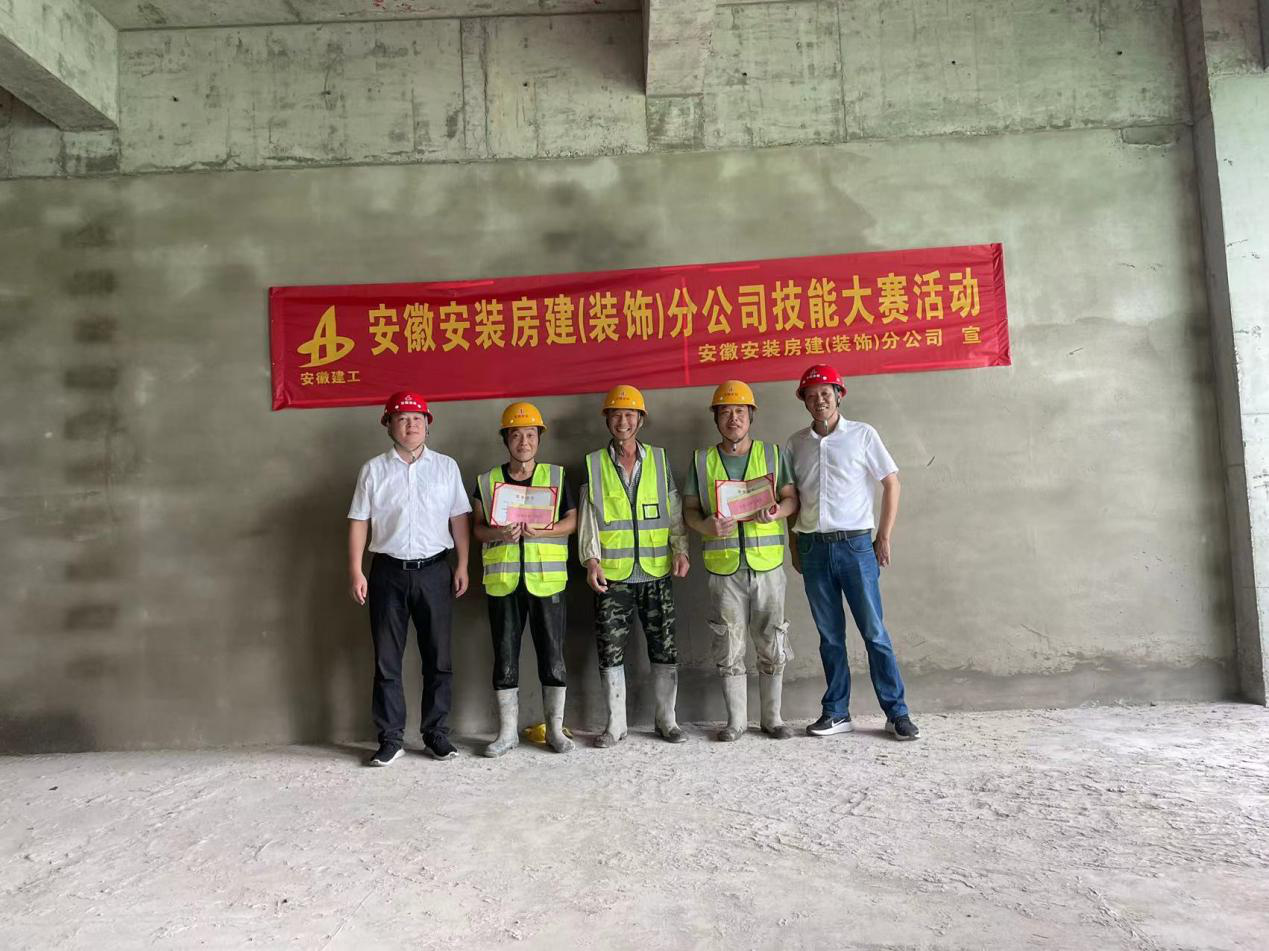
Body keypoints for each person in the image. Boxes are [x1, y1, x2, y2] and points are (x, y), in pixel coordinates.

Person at [785, 365, 920, 741]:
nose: (819, 400)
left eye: (825, 393)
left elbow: (892, 483)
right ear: (804, 401)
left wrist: (884, 535)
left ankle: (897, 713)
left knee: (874, 632)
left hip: (856, 546)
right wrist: (794, 545)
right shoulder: (795, 444)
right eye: (811, 395)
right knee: (830, 636)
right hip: (813, 548)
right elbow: (791, 498)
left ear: (838, 395)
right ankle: (836, 712)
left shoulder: (862, 435)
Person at [347, 391, 472, 766]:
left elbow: (459, 518)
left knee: (439, 659)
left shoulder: (446, 467)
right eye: (402, 418)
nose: (411, 424)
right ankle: (390, 738)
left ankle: (436, 734)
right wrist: (355, 569)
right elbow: (359, 521)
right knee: (387, 661)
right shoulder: (373, 470)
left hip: (435, 571)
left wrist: (463, 564)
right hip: (388, 573)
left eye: (418, 418)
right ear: (388, 425)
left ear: (427, 425)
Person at [683, 381, 799, 741]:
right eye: (725, 411)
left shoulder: (772, 454)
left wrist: (778, 511)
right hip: (725, 568)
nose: (733, 418)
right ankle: (735, 722)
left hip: (767, 566)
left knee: (772, 641)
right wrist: (705, 525)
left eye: (739, 411)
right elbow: (689, 510)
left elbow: (791, 498)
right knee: (729, 644)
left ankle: (772, 719)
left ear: (751, 416)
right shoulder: (702, 460)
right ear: (716, 418)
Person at [578, 384, 690, 747]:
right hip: (612, 575)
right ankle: (616, 725)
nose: (623, 421)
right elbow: (588, 519)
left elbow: (674, 510)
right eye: (616, 414)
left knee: (664, 647)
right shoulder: (594, 463)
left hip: (656, 570)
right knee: (610, 650)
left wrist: (681, 549)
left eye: (630, 414)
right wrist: (591, 560)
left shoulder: (658, 459)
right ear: (607, 420)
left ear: (641, 420)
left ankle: (667, 720)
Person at [471, 402, 577, 757]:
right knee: (505, 658)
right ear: (505, 439)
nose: (524, 442)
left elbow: (573, 521)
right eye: (516, 435)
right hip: (504, 582)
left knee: (553, 657)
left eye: (530, 435)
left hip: (547, 581)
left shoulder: (556, 477)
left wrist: (544, 531)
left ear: (539, 438)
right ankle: (506, 734)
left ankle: (555, 731)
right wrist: (500, 533)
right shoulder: (487, 481)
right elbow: (478, 530)